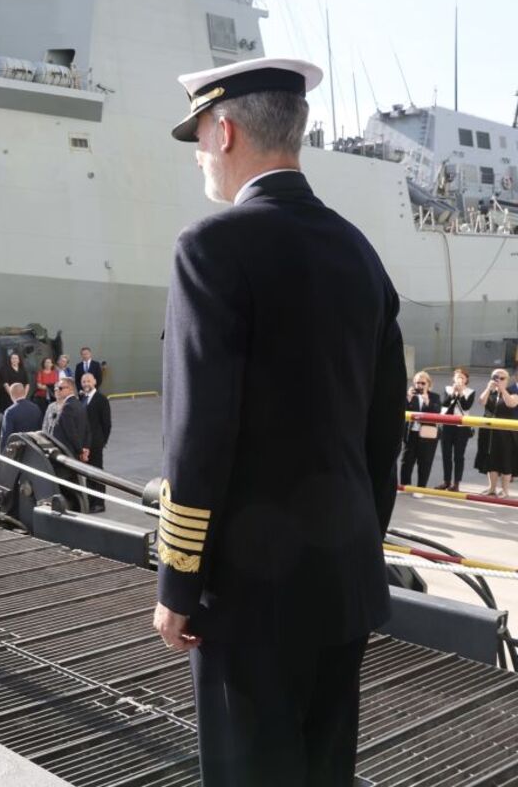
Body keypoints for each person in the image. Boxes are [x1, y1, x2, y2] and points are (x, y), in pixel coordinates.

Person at [153, 58, 405, 786]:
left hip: (247, 597)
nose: (200, 154)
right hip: (344, 586)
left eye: (199, 136)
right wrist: (353, 549)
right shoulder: (362, 256)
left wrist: (177, 583)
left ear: (226, 131)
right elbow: (382, 439)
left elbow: (199, 435)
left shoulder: (210, 248)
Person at [474, 368, 518, 497]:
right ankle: (492, 488)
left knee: (506, 460)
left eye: (502, 378)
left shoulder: (512, 392)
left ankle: (505, 490)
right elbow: (481, 401)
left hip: (506, 433)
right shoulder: (491, 392)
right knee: (491, 460)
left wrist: (502, 389)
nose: (498, 380)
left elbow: (511, 404)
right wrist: (489, 388)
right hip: (490, 431)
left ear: (507, 380)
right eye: (495, 377)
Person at [400, 370, 440, 488]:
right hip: (411, 433)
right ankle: (405, 485)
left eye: (423, 383)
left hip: (427, 435)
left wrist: (427, 402)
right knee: (406, 461)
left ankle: (421, 488)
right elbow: (401, 411)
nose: (420, 386)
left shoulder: (434, 397)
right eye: (417, 383)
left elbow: (437, 412)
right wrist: (407, 399)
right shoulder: (410, 396)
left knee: (425, 463)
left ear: (429, 384)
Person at [437, 368, 475, 491]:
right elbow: (444, 404)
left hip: (462, 427)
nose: (460, 379)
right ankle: (446, 481)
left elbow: (466, 406)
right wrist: (453, 393)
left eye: (462, 377)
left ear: (466, 380)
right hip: (447, 425)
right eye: (458, 377)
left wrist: (461, 394)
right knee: (446, 455)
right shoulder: (448, 389)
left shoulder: (470, 392)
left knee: (459, 456)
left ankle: (456, 483)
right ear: (453, 378)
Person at [79, 373, 111, 512]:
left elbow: (107, 423)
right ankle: (91, 501)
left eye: (88, 381)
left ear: (95, 382)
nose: (86, 384)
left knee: (97, 473)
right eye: (84, 381)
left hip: (96, 443)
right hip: (85, 443)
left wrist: (102, 441)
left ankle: (99, 503)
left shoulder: (101, 399)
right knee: (88, 473)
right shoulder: (83, 398)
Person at [51, 377, 88, 460]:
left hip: (66, 453)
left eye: (60, 388)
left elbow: (71, 433)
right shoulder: (79, 404)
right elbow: (87, 430)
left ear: (71, 389)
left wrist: (80, 451)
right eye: (57, 388)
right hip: (74, 452)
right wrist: (84, 448)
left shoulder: (67, 407)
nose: (58, 390)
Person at [0, 383, 42, 451]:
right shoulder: (35, 408)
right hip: (35, 448)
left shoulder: (10, 411)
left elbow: (6, 435)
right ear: (24, 393)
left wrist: (2, 454)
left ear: (11, 394)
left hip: (18, 450)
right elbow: (41, 429)